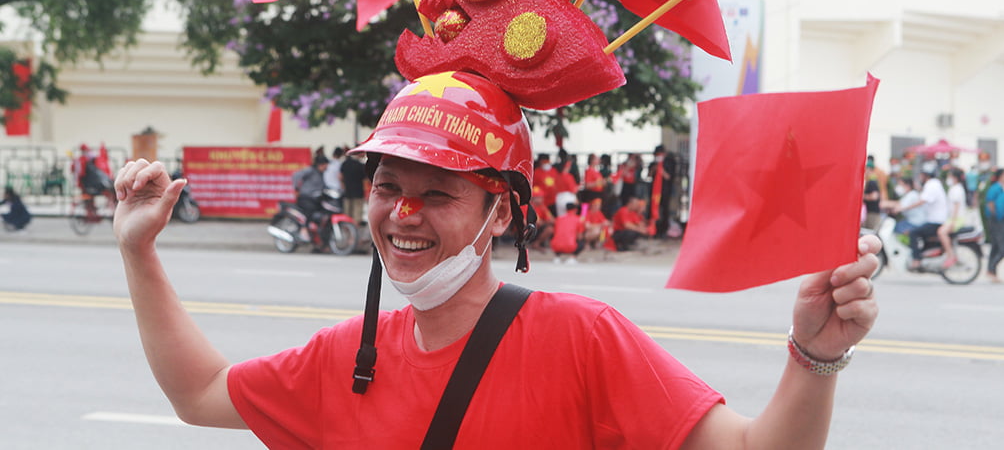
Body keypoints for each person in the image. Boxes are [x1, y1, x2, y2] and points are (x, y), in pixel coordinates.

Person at [112, 71, 879, 448]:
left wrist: (813, 354)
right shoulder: (344, 358)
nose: (402, 214)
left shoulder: (581, 338)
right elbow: (201, 392)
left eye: (438, 191)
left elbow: (750, 448)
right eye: (387, 186)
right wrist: (139, 250)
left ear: (502, 210)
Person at [908, 164, 949, 270]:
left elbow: (922, 201)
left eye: (921, 175)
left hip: (936, 221)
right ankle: (924, 257)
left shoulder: (932, 184)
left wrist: (905, 208)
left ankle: (916, 260)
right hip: (935, 220)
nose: (920, 177)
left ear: (926, 175)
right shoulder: (934, 184)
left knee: (913, 233)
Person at [291, 149, 329, 243]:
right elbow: (296, 175)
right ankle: (303, 229)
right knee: (310, 210)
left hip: (316, 199)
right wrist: (296, 189)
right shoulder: (310, 170)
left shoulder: (321, 174)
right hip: (306, 198)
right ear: (320, 164)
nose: (326, 167)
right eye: (325, 165)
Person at [936, 167, 968, 268]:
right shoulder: (955, 188)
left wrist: (953, 221)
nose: (948, 178)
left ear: (955, 178)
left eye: (950, 176)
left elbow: (956, 206)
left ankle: (950, 255)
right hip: (952, 218)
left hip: (956, 219)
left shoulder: (957, 189)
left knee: (941, 232)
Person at [984, 168, 1004, 283]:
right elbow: (990, 203)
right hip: (996, 220)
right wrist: (995, 215)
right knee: (1001, 248)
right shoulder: (995, 187)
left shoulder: (1002, 188)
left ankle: (992, 272)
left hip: (1001, 220)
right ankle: (991, 268)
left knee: (996, 246)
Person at [339, 150, 367, 225]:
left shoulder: (345, 163)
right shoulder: (361, 165)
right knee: (357, 214)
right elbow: (366, 180)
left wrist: (343, 186)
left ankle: (348, 230)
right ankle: (355, 232)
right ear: (360, 153)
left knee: (347, 213)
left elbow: (340, 177)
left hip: (347, 192)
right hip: (358, 192)